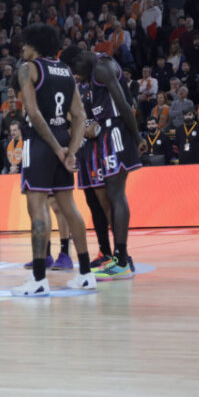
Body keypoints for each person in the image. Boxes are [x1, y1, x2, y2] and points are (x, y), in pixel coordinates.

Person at [12, 23, 94, 296]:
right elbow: (80, 116)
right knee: (69, 206)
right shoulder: (66, 71)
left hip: (38, 142)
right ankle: (85, 274)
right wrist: (71, 149)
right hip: (61, 137)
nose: (22, 48)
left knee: (37, 209)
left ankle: (38, 280)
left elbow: (34, 114)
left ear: (34, 44)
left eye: (25, 43)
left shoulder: (28, 68)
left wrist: (58, 150)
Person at [60, 46, 141, 280]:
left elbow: (125, 105)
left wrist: (137, 138)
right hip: (95, 140)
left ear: (79, 59)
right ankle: (108, 254)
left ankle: (122, 259)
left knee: (115, 196)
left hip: (114, 132)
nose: (75, 74)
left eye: (74, 69)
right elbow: (73, 112)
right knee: (95, 200)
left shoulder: (103, 67)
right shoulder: (85, 76)